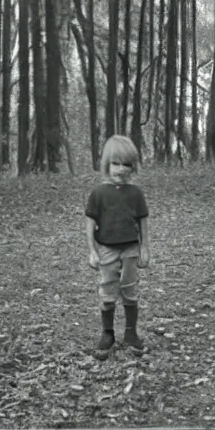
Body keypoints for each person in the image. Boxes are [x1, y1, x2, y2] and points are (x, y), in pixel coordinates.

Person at [85, 135, 150, 357]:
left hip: (131, 247)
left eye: (126, 165)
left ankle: (131, 333)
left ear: (133, 168)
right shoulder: (98, 193)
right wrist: (92, 251)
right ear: (106, 164)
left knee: (130, 288)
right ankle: (108, 333)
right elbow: (90, 222)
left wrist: (145, 248)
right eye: (116, 163)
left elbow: (142, 221)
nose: (121, 169)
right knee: (107, 288)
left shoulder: (136, 194)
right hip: (106, 249)